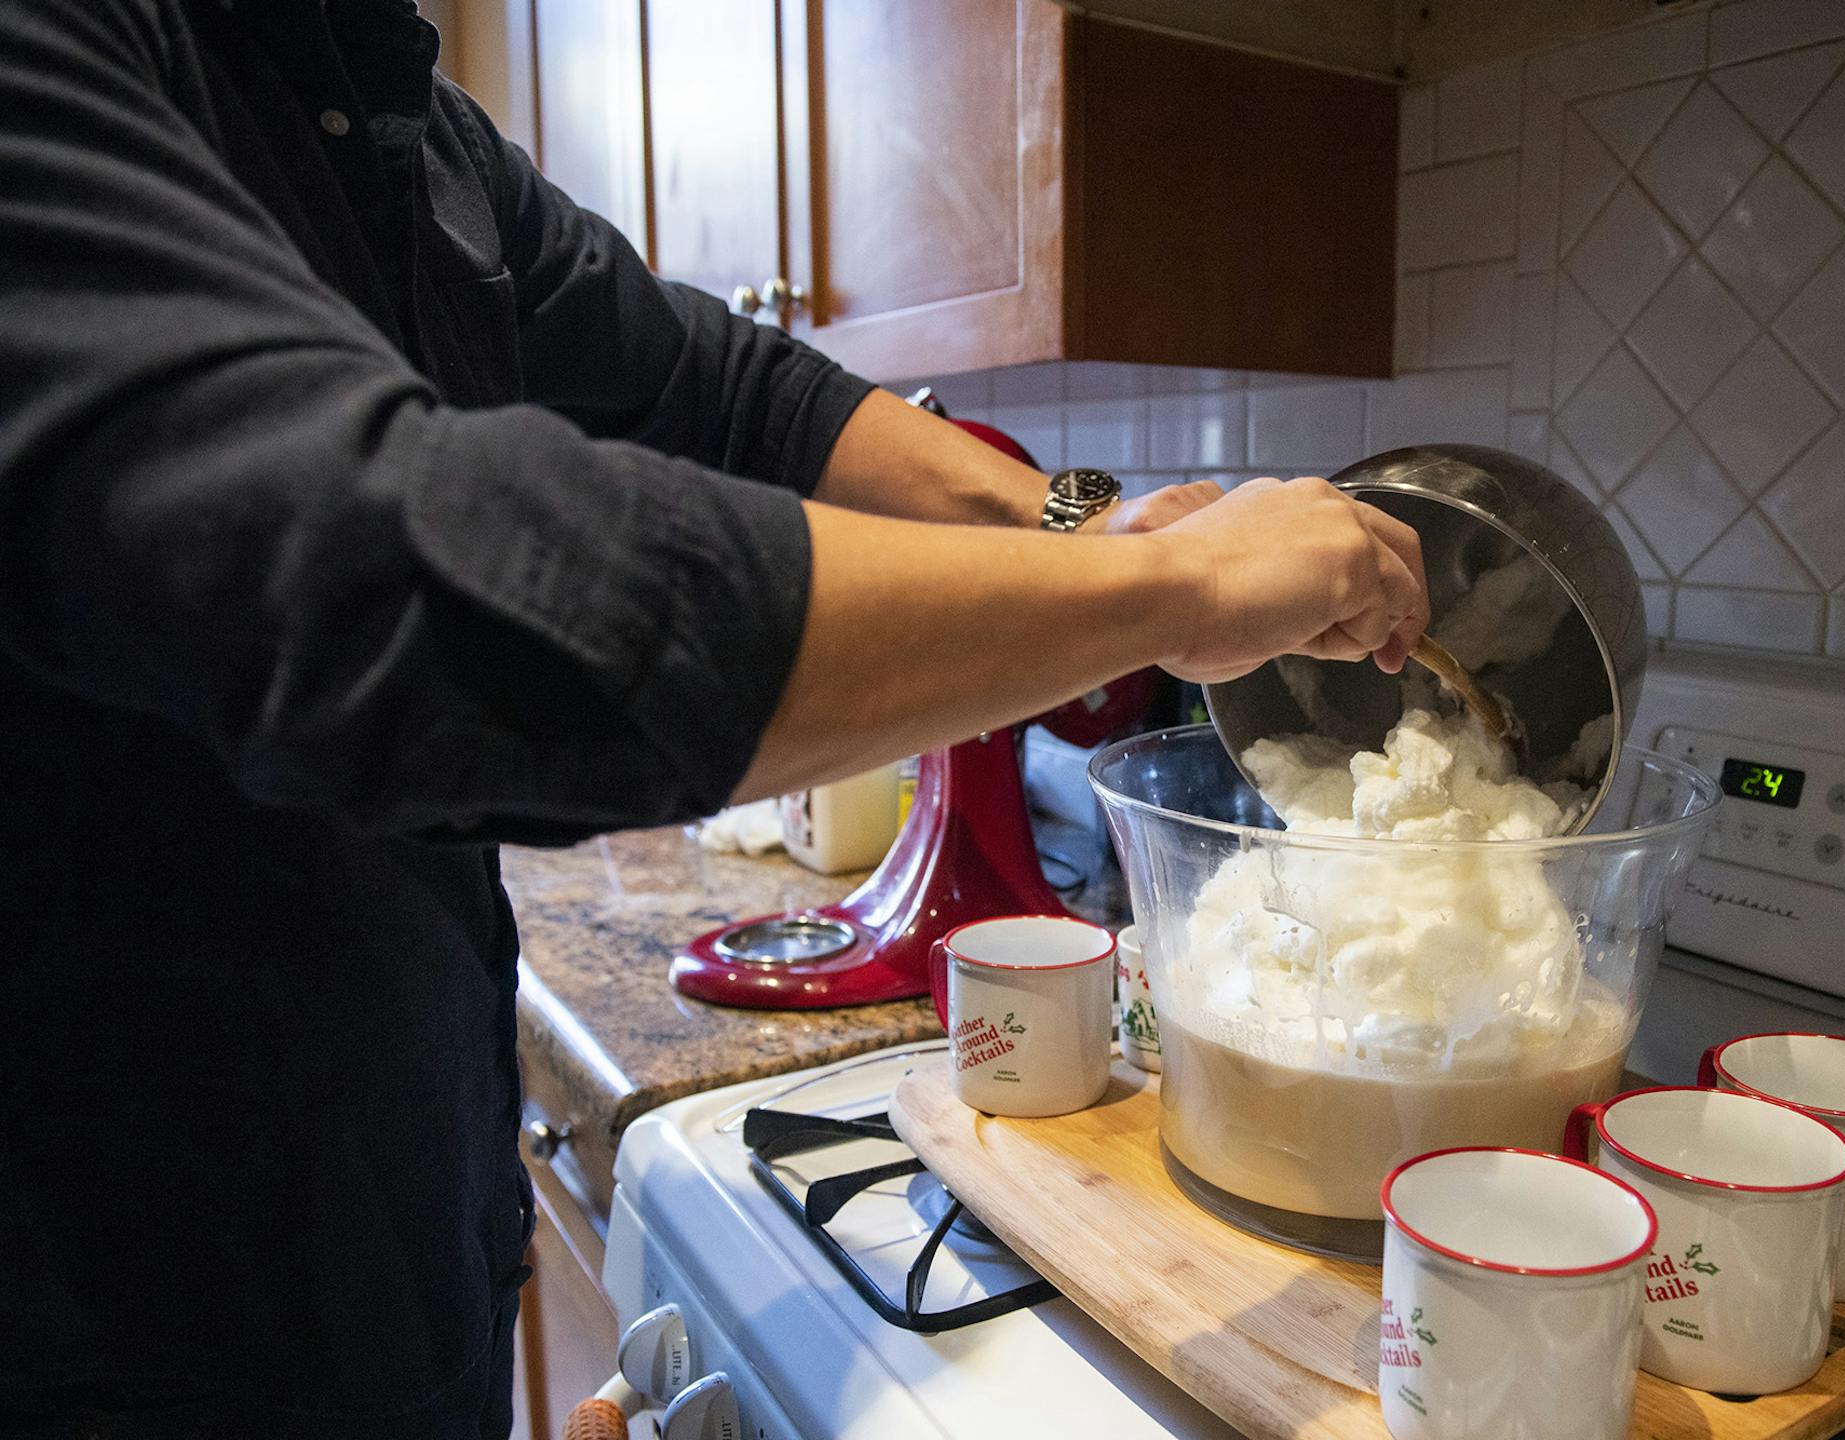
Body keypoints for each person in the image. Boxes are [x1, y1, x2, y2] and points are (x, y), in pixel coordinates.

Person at [0, 2, 1429, 1436]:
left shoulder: (395, 112)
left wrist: (1092, 526)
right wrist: (1171, 590)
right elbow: (390, 583)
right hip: (114, 1331)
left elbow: (730, 393)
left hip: (398, 1264)